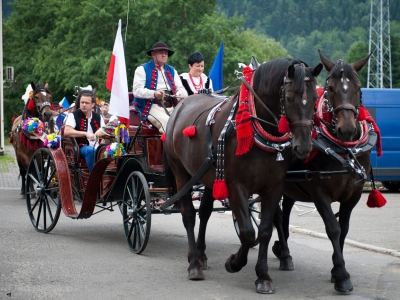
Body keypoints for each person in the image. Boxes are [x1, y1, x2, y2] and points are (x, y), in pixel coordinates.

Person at [132, 41, 187, 133]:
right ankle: (170, 147)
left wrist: (180, 94)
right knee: (168, 123)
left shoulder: (172, 70)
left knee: (186, 121)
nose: (164, 55)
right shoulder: (142, 69)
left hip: (171, 105)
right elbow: (137, 91)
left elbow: (180, 88)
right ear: (153, 54)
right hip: (151, 106)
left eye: (166, 53)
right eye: (161, 52)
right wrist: (154, 93)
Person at [64, 89, 105, 172]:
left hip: (98, 146)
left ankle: (110, 176)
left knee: (113, 150)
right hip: (80, 147)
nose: (84, 105)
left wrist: (102, 143)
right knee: (90, 150)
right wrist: (85, 134)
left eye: (86, 103)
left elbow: (104, 133)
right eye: (82, 102)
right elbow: (67, 132)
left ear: (92, 104)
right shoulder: (73, 115)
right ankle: (94, 179)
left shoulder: (98, 117)